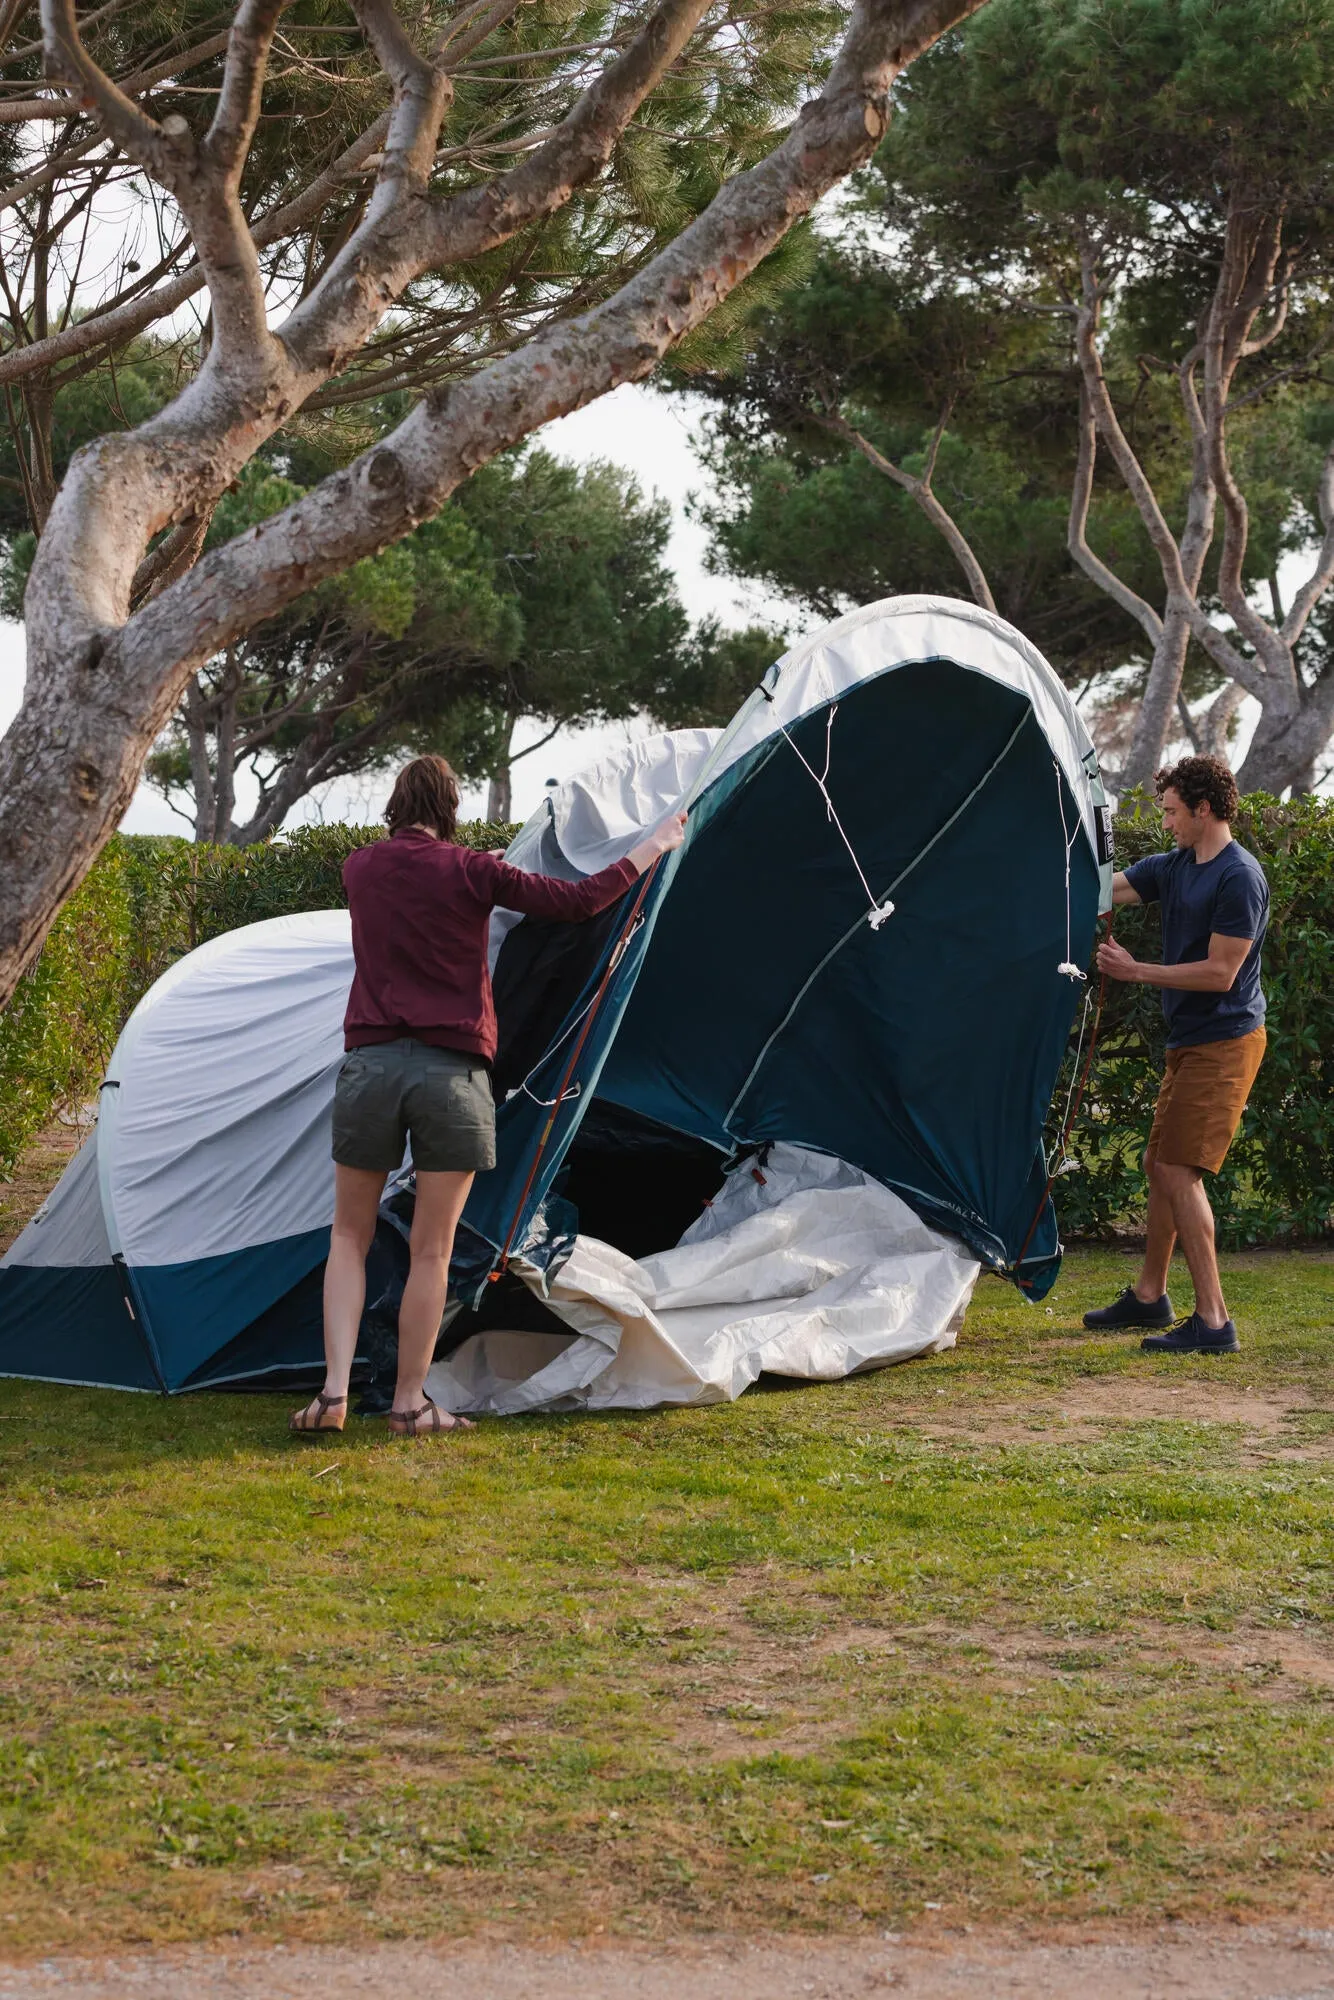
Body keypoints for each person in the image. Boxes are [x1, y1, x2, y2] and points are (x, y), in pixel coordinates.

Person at [291, 754, 686, 1438]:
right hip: (451, 1076)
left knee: (348, 1236)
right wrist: (653, 846)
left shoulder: (361, 868)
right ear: (450, 807)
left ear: (394, 803)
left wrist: (471, 864)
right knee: (432, 1253)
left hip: (371, 1068)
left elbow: (414, 879)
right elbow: (579, 901)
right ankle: (410, 1405)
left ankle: (331, 1397)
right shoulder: (473, 874)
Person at [1082, 756, 1268, 1355]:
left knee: (1178, 1171)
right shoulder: (1180, 864)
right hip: (1188, 1042)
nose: (1164, 823)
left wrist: (1136, 971)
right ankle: (1149, 1296)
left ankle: (1214, 1322)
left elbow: (1220, 973)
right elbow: (1108, 889)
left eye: (1169, 812)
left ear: (1202, 809)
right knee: (1159, 1165)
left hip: (1226, 1040)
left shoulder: (1238, 877)